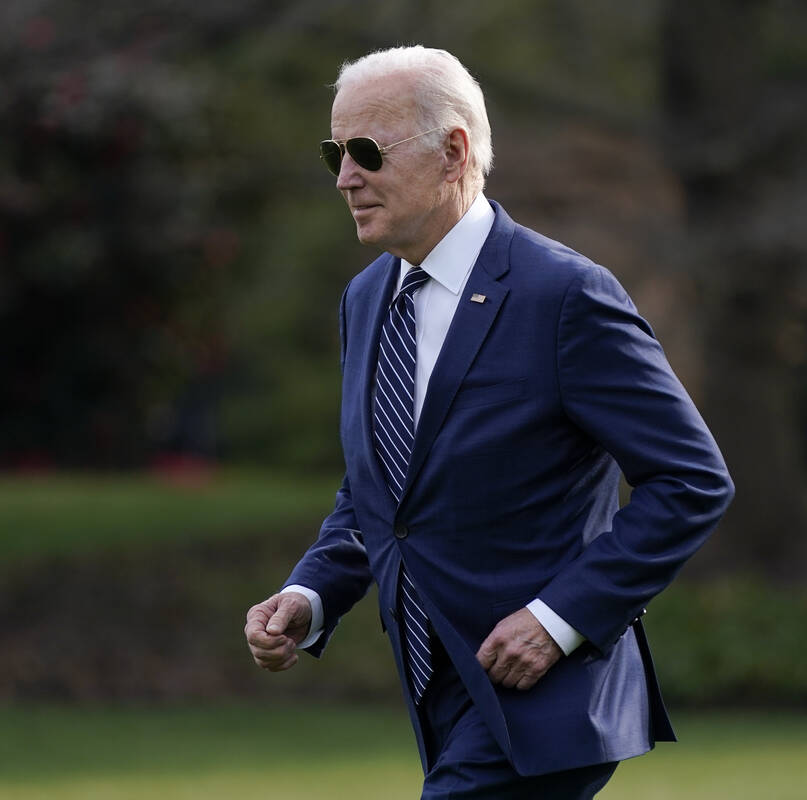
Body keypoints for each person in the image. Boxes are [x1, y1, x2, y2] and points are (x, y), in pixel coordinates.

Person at [243, 45, 733, 799]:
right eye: (333, 153)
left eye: (366, 152)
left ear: (453, 151)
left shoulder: (565, 295)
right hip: (436, 687)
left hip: (547, 693)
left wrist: (559, 619)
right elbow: (382, 491)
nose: (344, 178)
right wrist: (310, 596)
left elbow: (691, 480)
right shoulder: (365, 299)